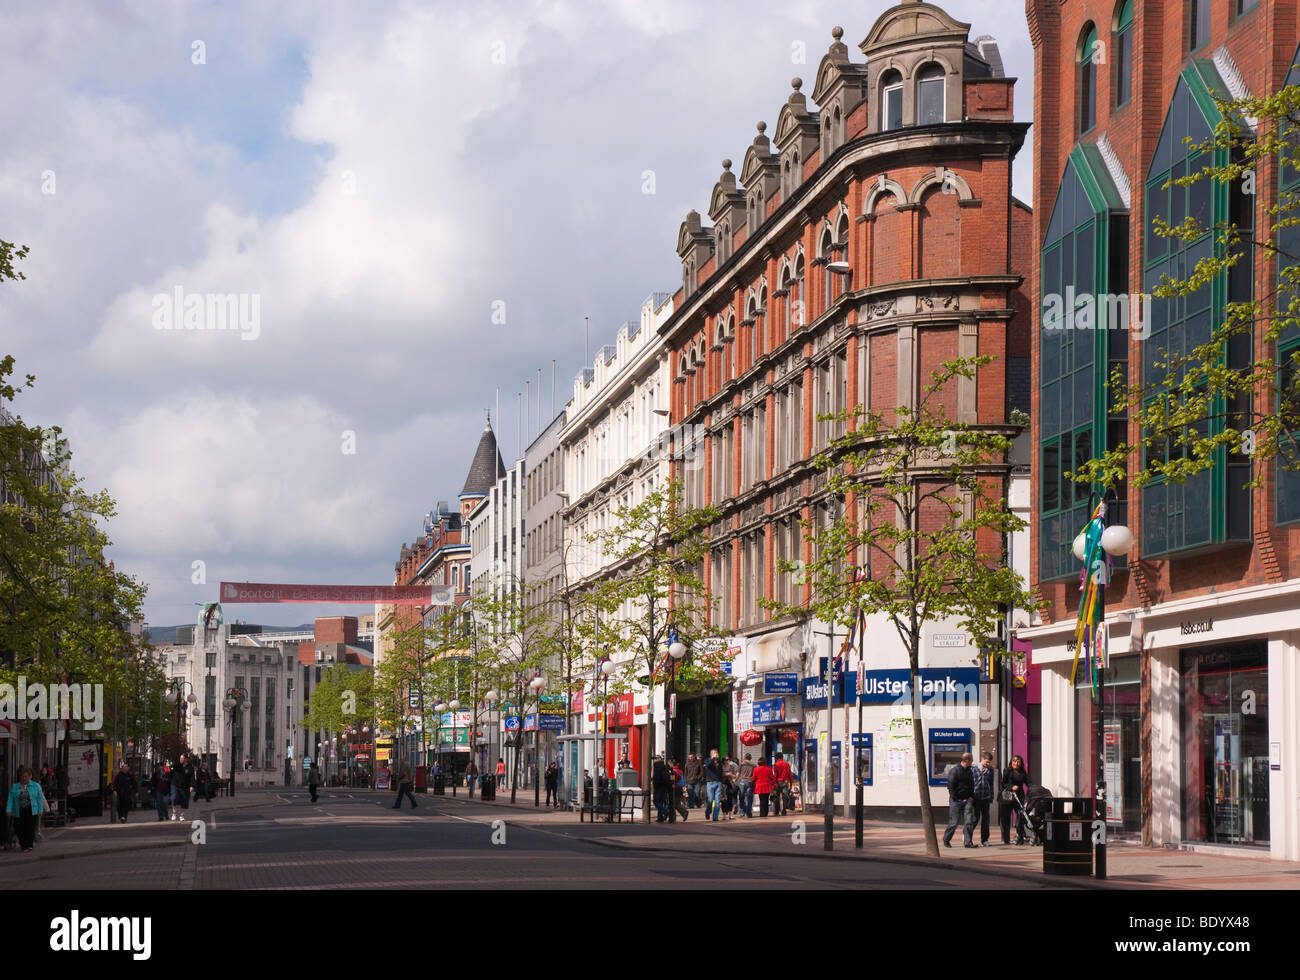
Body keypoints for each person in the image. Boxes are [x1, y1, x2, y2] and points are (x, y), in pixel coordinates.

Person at [6, 767, 47, 852]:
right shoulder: (15, 786)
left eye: (26, 776)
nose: (24, 778)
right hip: (19, 810)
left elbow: (39, 799)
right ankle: (23, 843)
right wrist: (8, 809)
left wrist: (40, 810)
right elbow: (10, 799)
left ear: (30, 776)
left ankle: (28, 845)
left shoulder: (36, 786)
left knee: (30, 828)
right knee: (18, 827)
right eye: (22, 776)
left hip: (31, 810)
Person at [943, 752, 976, 848]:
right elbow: (950, 785)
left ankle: (968, 842)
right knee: (954, 822)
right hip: (956, 800)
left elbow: (971, 784)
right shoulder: (955, 770)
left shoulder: (969, 771)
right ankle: (946, 839)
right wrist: (954, 797)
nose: (972, 761)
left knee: (969, 821)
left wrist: (971, 796)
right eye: (971, 760)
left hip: (967, 799)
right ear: (967, 760)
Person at [1000, 755, 1030, 845]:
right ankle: (1006, 839)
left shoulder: (1022, 772)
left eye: (1018, 761)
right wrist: (1011, 787)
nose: (1016, 763)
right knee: (1005, 817)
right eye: (1014, 761)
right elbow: (1004, 783)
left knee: (1021, 815)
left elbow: (1028, 782)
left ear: (1021, 763)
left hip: (1019, 796)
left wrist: (1033, 788)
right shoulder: (1007, 770)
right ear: (1011, 762)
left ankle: (1020, 836)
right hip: (1008, 796)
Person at [972, 750, 995, 846]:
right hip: (975, 797)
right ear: (982, 759)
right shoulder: (973, 768)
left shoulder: (990, 770)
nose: (988, 764)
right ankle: (968, 835)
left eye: (989, 762)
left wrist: (991, 796)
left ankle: (985, 839)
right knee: (975, 818)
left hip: (985, 797)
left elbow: (991, 783)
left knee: (986, 819)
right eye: (987, 762)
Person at [170, 754, 194, 823]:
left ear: (186, 759)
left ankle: (182, 815)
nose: (181, 759)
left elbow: (192, 777)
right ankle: (174, 813)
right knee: (174, 798)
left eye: (182, 758)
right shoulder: (177, 764)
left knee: (185, 801)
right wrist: (172, 767)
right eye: (180, 758)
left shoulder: (190, 767)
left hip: (185, 787)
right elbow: (171, 768)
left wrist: (192, 786)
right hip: (175, 785)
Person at [703, 749, 726, 821]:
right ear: (711, 754)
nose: (716, 754)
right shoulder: (708, 760)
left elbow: (721, 772)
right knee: (710, 800)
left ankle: (715, 817)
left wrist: (722, 782)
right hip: (710, 782)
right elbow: (707, 765)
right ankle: (708, 812)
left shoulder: (719, 762)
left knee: (717, 801)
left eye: (716, 753)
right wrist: (712, 759)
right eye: (714, 753)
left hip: (718, 783)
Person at [651, 755, 673, 822]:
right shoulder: (664, 766)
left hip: (659, 786)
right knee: (660, 802)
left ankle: (664, 811)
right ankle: (660, 817)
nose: (654, 760)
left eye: (655, 759)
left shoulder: (657, 766)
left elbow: (656, 777)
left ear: (658, 759)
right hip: (664, 786)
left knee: (656, 801)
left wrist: (655, 783)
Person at [736, 754, 756, 818]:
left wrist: (735, 780)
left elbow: (738, 773)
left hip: (742, 782)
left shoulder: (741, 764)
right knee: (749, 798)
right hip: (750, 782)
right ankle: (749, 813)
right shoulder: (754, 765)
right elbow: (755, 774)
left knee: (741, 797)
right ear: (750, 758)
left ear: (744, 757)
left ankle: (742, 812)